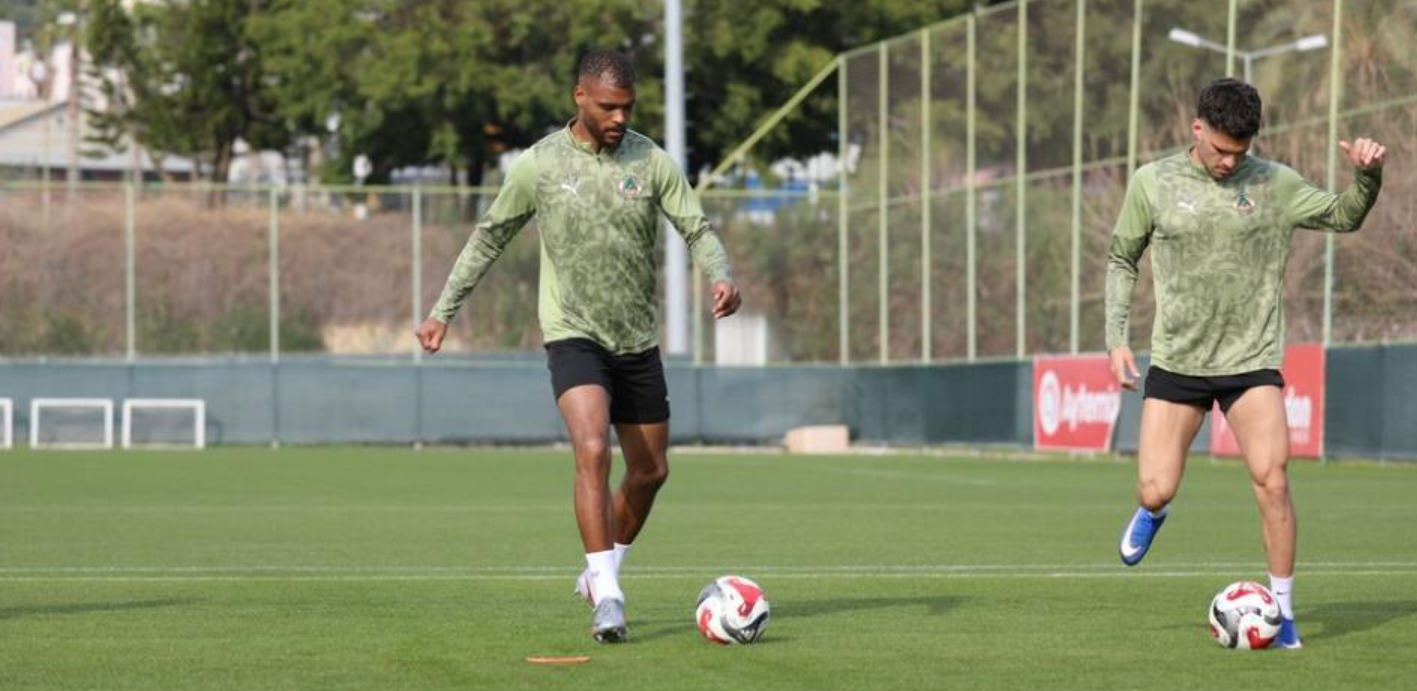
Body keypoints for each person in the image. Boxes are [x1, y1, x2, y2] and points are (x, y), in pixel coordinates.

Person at [416, 50, 741, 643]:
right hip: (572, 334)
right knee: (592, 449)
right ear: (580, 97)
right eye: (609, 107)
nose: (620, 118)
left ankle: (599, 572)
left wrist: (720, 275)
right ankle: (609, 595)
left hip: (636, 339)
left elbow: (696, 228)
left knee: (650, 471)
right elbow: (489, 238)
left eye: (628, 107)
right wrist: (443, 311)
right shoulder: (539, 164)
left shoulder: (651, 161)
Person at [1105, 77, 1385, 649]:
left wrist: (1367, 177)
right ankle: (1153, 512)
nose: (1230, 161)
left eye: (1241, 150)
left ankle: (1284, 615)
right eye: (1220, 149)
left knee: (1273, 482)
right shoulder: (1152, 182)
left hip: (1251, 361)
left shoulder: (1274, 183)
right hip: (1179, 361)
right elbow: (1121, 258)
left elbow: (1343, 217)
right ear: (1197, 128)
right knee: (1155, 489)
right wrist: (1116, 339)